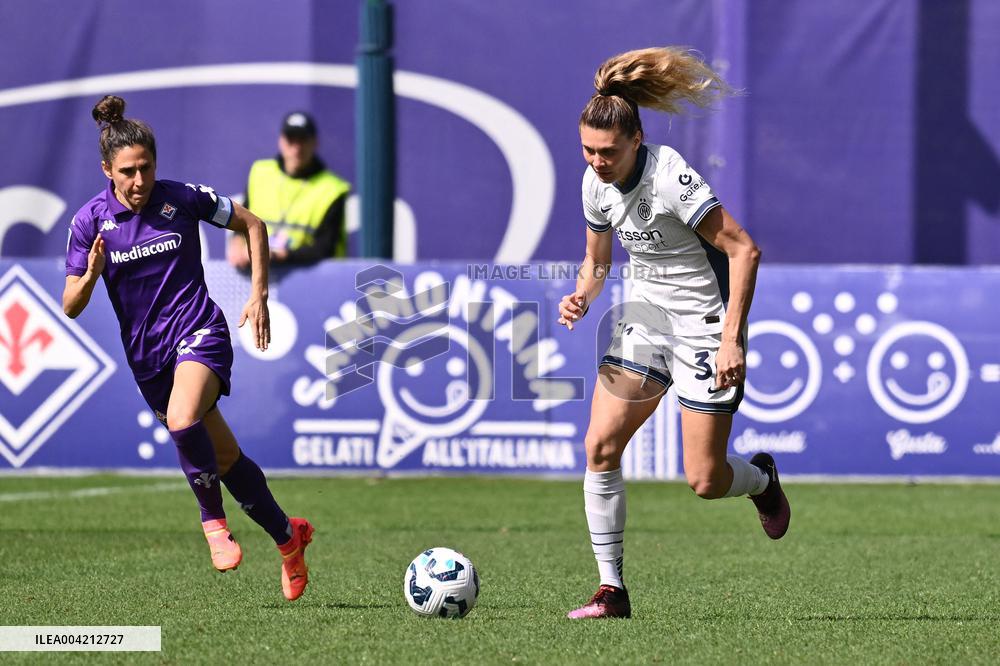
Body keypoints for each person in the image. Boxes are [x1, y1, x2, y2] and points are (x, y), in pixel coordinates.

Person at [558, 47, 791, 619]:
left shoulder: (671, 178)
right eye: (587, 150)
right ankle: (611, 590)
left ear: (637, 140)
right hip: (645, 319)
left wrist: (732, 336)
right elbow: (597, 260)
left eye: (607, 151)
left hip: (704, 327)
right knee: (599, 447)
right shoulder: (594, 183)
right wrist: (583, 295)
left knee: (705, 480)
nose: (596, 162)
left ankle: (760, 480)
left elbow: (744, 249)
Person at [63, 95, 314, 601]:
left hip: (199, 329)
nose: (140, 182)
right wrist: (89, 276)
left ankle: (214, 526)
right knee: (224, 458)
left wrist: (258, 294)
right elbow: (69, 304)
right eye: (128, 172)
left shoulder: (183, 198)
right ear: (106, 170)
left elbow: (254, 225)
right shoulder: (90, 222)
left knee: (182, 419)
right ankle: (290, 538)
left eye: (147, 168)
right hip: (148, 359)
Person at [228, 111, 350, 269]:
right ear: (281, 141)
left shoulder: (332, 189)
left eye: (303, 140)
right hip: (258, 274)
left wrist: (281, 255)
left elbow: (326, 248)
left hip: (310, 280)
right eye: (291, 139)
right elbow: (242, 220)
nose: (297, 148)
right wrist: (237, 242)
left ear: (315, 143)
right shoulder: (260, 172)